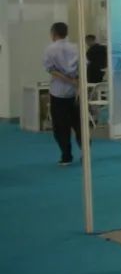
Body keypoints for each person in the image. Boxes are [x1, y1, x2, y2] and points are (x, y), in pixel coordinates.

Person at [43, 22, 82, 166]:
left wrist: (68, 80)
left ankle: (66, 156)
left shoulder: (50, 49)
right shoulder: (75, 47)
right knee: (79, 125)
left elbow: (51, 70)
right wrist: (76, 82)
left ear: (53, 33)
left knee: (60, 126)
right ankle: (85, 152)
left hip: (58, 92)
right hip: (75, 92)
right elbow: (84, 66)